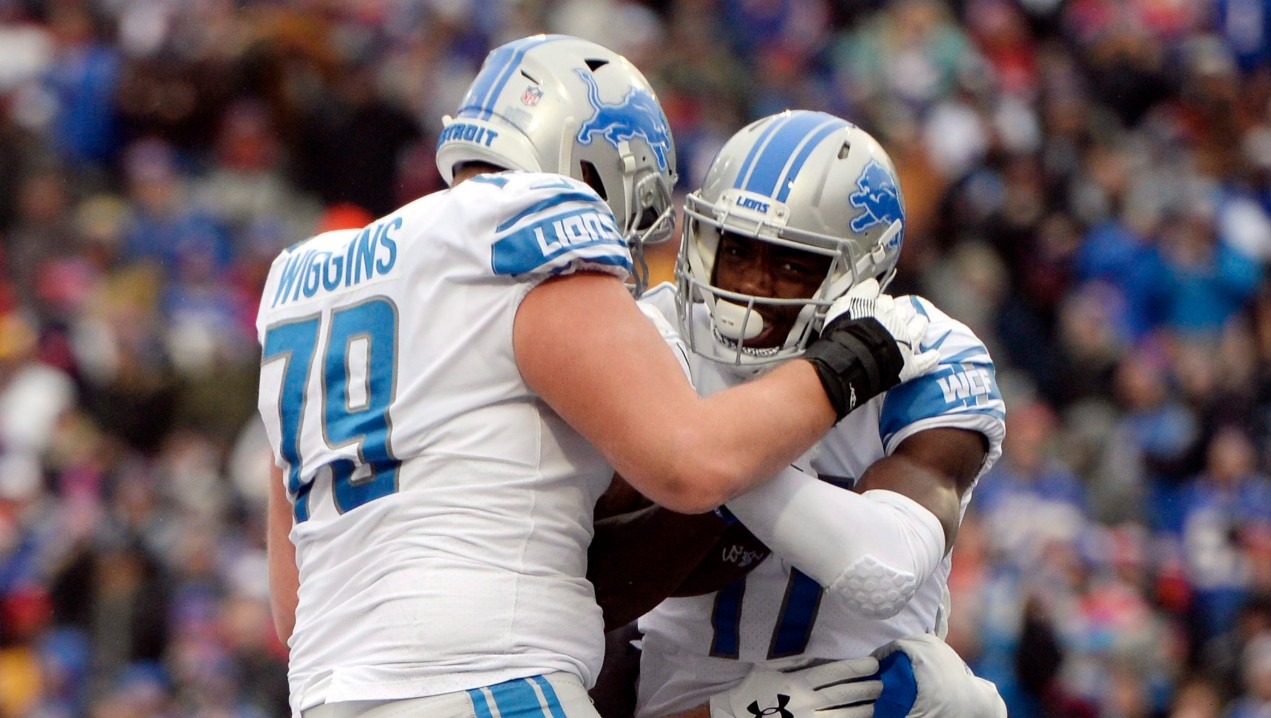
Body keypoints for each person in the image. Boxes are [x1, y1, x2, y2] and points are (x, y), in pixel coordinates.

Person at [256, 38, 934, 718]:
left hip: (329, 696)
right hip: (494, 683)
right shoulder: (527, 216)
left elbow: (293, 606)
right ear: (587, 163)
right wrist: (850, 363)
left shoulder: (302, 278)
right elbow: (690, 462)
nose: (625, 243)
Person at [587, 110, 1009, 718]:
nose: (750, 286)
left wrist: (701, 450)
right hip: (682, 700)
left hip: (860, 696)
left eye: (790, 264)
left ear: (859, 273)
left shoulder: (924, 352)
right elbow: (592, 583)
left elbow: (885, 570)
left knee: (945, 696)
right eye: (735, 250)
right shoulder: (659, 332)